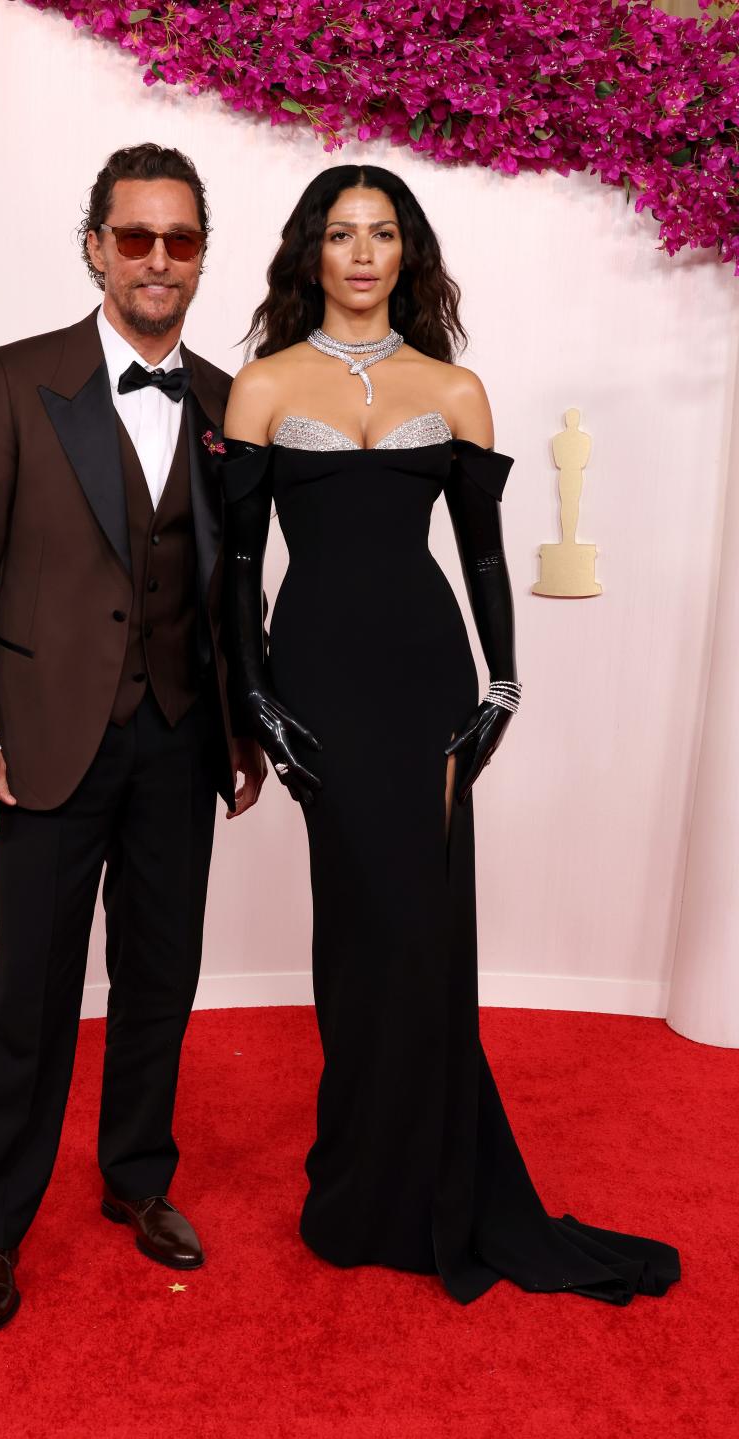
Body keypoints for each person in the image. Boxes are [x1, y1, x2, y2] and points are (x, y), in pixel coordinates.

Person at [219, 164, 680, 1305]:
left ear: (408, 253)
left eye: (382, 234)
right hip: (317, 676)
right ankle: (362, 1178)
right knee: (358, 931)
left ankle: (433, 1178)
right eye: (341, 234)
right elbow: (234, 569)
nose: (363, 253)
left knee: (421, 928)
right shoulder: (263, 386)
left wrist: (507, 679)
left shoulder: (458, 389)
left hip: (429, 674)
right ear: (310, 253)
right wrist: (257, 697)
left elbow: (479, 554)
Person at [0, 143, 266, 1332]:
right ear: (95, 246)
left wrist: (244, 724)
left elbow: (236, 589)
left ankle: (137, 1179)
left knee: (161, 976)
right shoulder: (15, 379)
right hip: (45, 738)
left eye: (180, 240)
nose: (158, 260)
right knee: (31, 990)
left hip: (182, 737)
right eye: (136, 237)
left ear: (202, 255)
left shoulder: (231, 401)